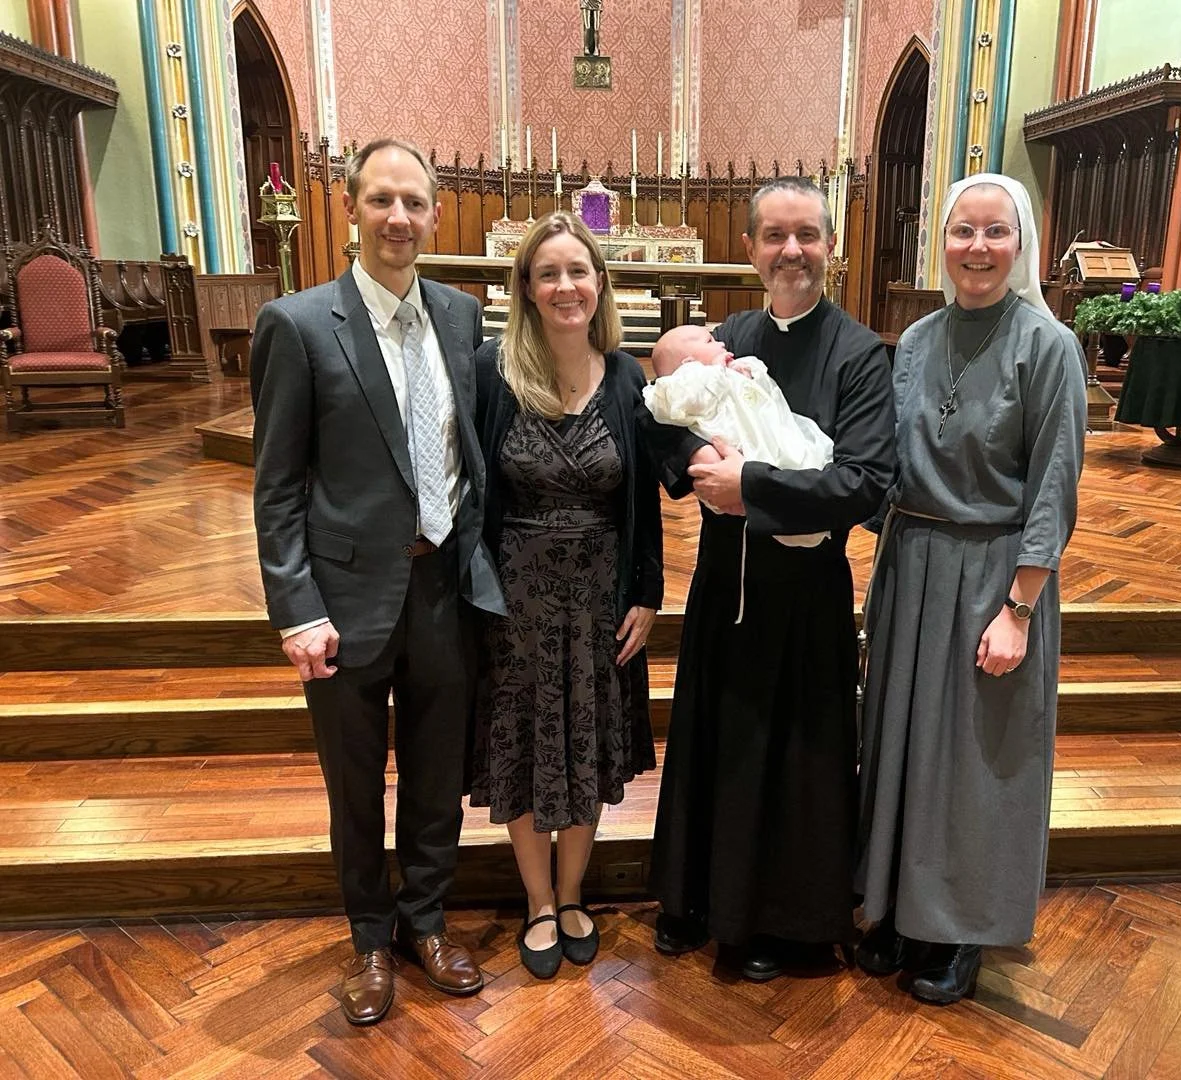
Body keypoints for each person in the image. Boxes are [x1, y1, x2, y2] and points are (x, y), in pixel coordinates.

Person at [250, 138, 502, 1024]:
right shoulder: (299, 323)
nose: (400, 218)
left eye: (415, 202)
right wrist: (296, 609)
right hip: (345, 600)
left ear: (437, 214)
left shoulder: (463, 317)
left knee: (437, 772)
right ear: (350, 210)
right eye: (382, 200)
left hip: (443, 588)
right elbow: (277, 487)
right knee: (355, 783)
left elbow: (471, 453)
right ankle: (367, 937)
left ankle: (426, 921)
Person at [643, 176, 896, 981]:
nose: (794, 251)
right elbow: (666, 423)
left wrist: (750, 486)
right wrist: (699, 464)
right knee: (723, 740)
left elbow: (865, 482)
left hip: (808, 594)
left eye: (809, 236)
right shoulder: (728, 337)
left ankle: (788, 923)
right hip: (728, 582)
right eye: (776, 237)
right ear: (750, 249)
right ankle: (700, 900)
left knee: (797, 752)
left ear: (831, 247)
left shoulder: (858, 353)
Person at [853, 173, 1087, 1004]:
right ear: (941, 242)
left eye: (995, 232)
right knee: (902, 743)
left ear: (1019, 243)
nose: (978, 249)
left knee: (976, 761)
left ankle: (960, 931)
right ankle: (894, 907)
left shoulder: (1047, 347)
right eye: (962, 232)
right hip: (912, 564)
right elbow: (883, 466)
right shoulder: (915, 341)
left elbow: (1054, 487)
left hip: (995, 574)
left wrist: (1020, 608)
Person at [470, 211, 661, 979]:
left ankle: (575, 891)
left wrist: (644, 590)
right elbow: (473, 488)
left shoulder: (624, 377)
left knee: (586, 741)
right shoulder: (493, 373)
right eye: (547, 273)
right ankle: (538, 901)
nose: (565, 286)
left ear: (600, 283)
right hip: (515, 599)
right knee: (523, 747)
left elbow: (643, 498)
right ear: (525, 287)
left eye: (578, 271)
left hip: (599, 596)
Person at [646, 324, 832, 549]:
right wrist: (716, 372)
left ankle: (798, 503)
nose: (721, 343)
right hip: (735, 448)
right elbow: (673, 404)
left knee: (793, 451)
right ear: (688, 364)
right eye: (709, 342)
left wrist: (746, 374)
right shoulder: (688, 381)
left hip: (762, 433)